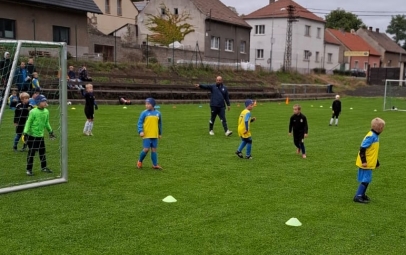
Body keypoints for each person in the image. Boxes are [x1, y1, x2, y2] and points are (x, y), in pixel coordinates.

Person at [353, 118, 385, 203]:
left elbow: (373, 152)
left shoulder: (375, 136)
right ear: (380, 128)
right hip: (366, 163)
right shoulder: (371, 136)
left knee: (367, 179)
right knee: (366, 179)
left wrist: (376, 162)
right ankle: (358, 196)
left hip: (370, 162)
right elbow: (362, 149)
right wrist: (364, 161)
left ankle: (362, 194)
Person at [22, 95, 56, 176]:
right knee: (31, 153)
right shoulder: (33, 111)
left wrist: (50, 131)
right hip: (32, 136)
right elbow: (28, 122)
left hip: (40, 136)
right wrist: (25, 132)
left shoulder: (46, 111)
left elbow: (46, 122)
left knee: (42, 152)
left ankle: (44, 167)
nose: (45, 103)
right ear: (38, 102)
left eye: (45, 101)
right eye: (43, 101)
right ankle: (29, 169)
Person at [136, 98, 163, 170]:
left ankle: (155, 164)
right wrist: (140, 131)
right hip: (147, 134)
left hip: (154, 134)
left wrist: (160, 133)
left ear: (153, 105)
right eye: (146, 104)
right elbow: (140, 122)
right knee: (146, 149)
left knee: (154, 149)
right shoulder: (144, 113)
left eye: (148, 104)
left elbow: (159, 124)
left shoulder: (158, 113)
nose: (146, 105)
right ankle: (140, 161)